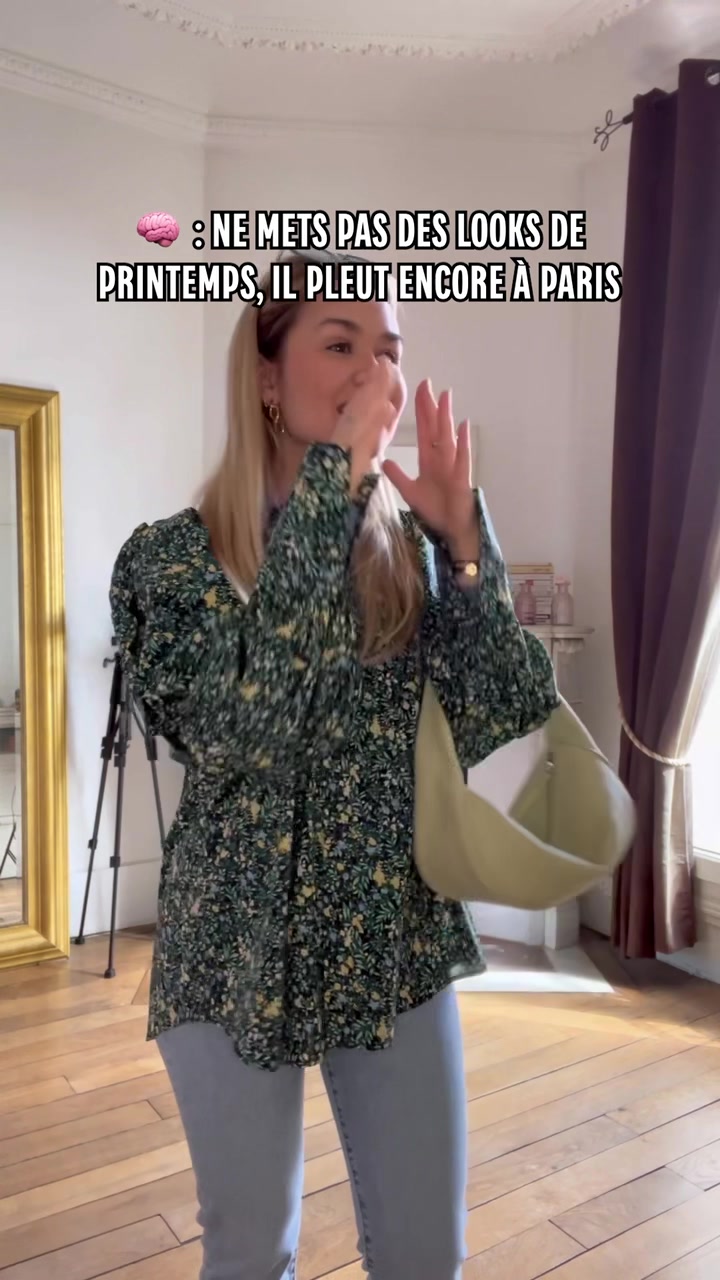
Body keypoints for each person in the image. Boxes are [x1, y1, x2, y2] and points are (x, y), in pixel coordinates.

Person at [109, 249, 560, 1280]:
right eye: (341, 342)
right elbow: (244, 727)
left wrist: (464, 547)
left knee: (424, 1255)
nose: (373, 372)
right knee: (249, 1250)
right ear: (266, 376)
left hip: (391, 938)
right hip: (230, 945)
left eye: (388, 350)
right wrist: (333, 489)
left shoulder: (402, 558)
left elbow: (502, 713)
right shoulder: (165, 560)